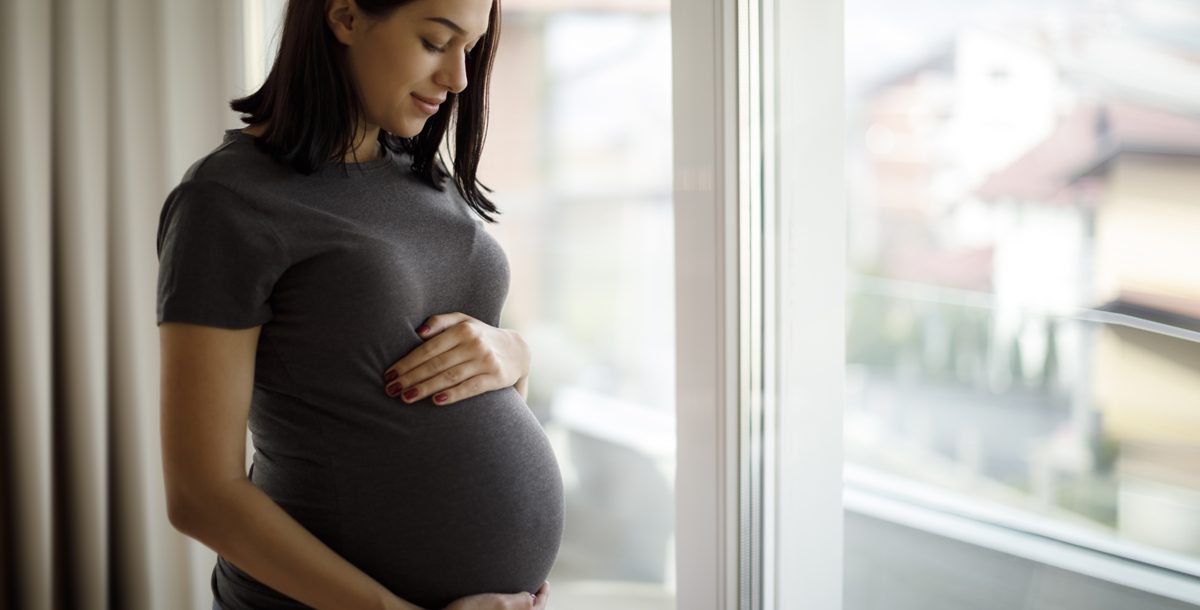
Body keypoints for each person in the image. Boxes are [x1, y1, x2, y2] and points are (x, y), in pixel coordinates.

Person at [157, 0, 564, 608]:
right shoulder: (227, 201)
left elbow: (462, 393)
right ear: (345, 16)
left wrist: (515, 355)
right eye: (435, 41)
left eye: (471, 50)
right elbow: (200, 495)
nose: (459, 78)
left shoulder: (423, 175)